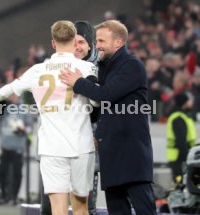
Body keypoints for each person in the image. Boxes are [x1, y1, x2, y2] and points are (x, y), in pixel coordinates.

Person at [0, 20, 97, 215]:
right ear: (75, 42)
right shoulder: (86, 69)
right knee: (81, 208)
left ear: (53, 43)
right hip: (82, 147)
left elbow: (2, 93)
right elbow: (97, 102)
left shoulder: (37, 70)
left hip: (51, 148)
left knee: (57, 210)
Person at [60, 20, 157, 215]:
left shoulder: (132, 65)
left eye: (102, 40)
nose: (98, 45)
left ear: (119, 42)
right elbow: (99, 108)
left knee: (145, 211)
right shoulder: (105, 67)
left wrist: (78, 82)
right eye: (97, 40)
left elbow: (106, 95)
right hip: (110, 153)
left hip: (132, 154)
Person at [39, 20, 100, 215]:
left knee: (84, 204)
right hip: (56, 148)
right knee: (50, 206)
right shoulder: (52, 69)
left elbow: (104, 105)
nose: (77, 46)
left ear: (90, 45)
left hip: (85, 148)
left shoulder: (98, 71)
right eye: (74, 41)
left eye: (81, 42)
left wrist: (97, 134)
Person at [0, 94, 32, 206]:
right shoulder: (5, 107)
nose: (12, 97)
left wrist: (24, 130)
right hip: (5, 145)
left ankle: (14, 197)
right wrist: (1, 104)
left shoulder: (24, 108)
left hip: (18, 146)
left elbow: (30, 126)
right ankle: (3, 195)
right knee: (2, 172)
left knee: (17, 173)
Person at [167, 93, 196, 183]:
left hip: (180, 157)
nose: (192, 103)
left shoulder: (183, 116)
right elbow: (181, 141)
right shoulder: (178, 118)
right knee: (180, 184)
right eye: (189, 100)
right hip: (179, 158)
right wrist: (188, 156)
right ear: (184, 102)